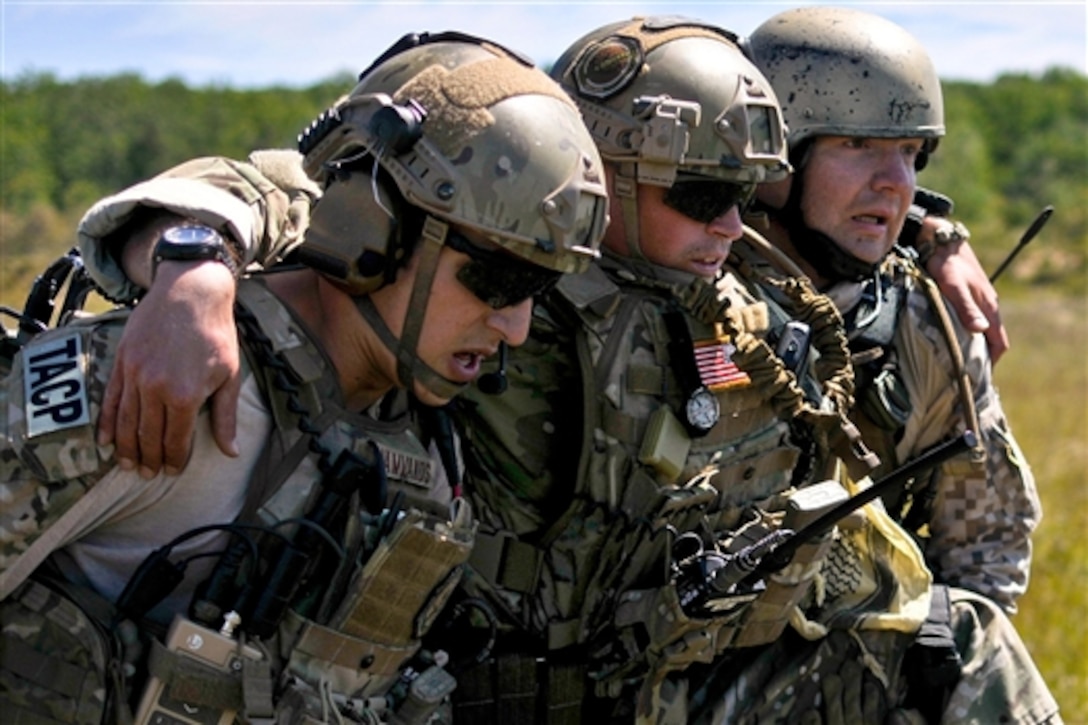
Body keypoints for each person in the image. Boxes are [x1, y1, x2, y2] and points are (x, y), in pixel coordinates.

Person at [61, 15, 1058, 725]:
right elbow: (288, 183)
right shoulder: (484, 242)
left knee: (955, 645)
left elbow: (843, 228)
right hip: (444, 680)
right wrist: (192, 264)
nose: (726, 224)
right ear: (603, 168)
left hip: (662, 680)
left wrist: (929, 231)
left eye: (744, 195)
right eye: (704, 195)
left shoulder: (735, 286)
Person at [0, 32, 608, 724]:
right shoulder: (162, 384)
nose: (517, 327)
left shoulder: (428, 432)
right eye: (498, 279)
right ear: (374, 228)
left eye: (540, 289)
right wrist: (187, 259)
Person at [744, 5, 1041, 614]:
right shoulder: (684, 299)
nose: (895, 181)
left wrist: (946, 654)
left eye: (909, 151)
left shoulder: (924, 324)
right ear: (776, 157)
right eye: (857, 144)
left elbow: (987, 542)